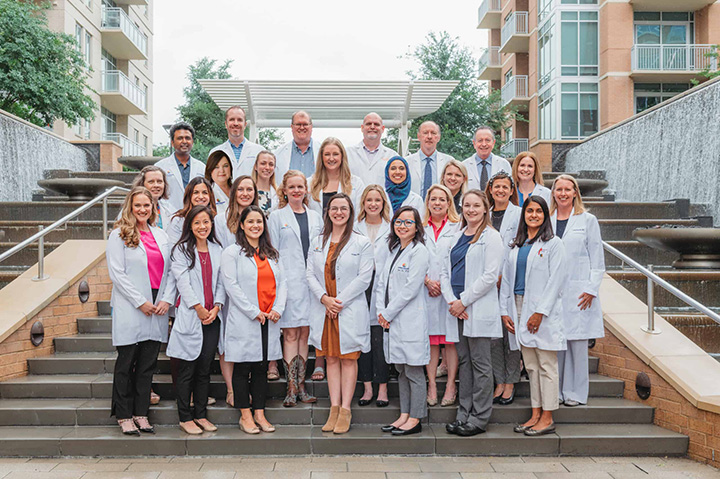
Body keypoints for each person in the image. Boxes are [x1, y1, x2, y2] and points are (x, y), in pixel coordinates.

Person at [106, 187, 175, 436]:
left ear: (153, 208)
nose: (143, 210)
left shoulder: (161, 235)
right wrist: (139, 302)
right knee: (127, 362)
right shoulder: (118, 235)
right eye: (138, 205)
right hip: (132, 305)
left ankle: (141, 413)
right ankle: (124, 414)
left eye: (147, 205)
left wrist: (167, 300)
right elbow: (117, 274)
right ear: (130, 207)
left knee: (148, 364)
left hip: (157, 305)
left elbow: (170, 272)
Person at [306, 194, 374, 434]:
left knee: (348, 358)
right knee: (331, 359)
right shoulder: (317, 240)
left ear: (350, 211)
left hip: (346, 308)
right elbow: (310, 275)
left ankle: (346, 409)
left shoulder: (361, 242)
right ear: (328, 212)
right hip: (324, 309)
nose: (338, 212)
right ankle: (333, 408)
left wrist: (338, 302)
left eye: (343, 208)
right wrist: (325, 299)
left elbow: (364, 278)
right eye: (334, 208)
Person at [500, 196, 566, 437]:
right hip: (518, 307)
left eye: (539, 211)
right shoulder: (516, 245)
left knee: (546, 365)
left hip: (541, 311)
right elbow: (506, 280)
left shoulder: (554, 243)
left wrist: (540, 312)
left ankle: (548, 417)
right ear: (524, 214)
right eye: (530, 211)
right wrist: (504, 311)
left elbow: (556, 281)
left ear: (545, 215)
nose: (534, 215)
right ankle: (535, 413)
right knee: (531, 366)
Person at [440, 190, 504, 437]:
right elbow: (444, 272)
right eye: (466, 205)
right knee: (465, 362)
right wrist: (452, 301)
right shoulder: (455, 236)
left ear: (485, 208)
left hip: (475, 309)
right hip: (457, 310)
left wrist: (463, 301)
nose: (471, 210)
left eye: (476, 205)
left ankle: (479, 418)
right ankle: (463, 414)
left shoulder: (492, 237)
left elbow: (490, 276)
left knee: (481, 364)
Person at [221, 205, 286, 434]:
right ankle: (245, 415)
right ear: (241, 225)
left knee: (261, 368)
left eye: (259, 222)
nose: (255, 226)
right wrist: (252, 311)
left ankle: (260, 413)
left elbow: (282, 284)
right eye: (250, 222)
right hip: (246, 319)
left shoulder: (272, 253)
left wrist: (278, 308)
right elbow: (232, 286)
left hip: (269, 319)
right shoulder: (232, 252)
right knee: (242, 368)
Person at [167, 205, 225, 435]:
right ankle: (185, 417)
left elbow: (222, 282)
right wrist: (199, 308)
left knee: (204, 369)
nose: (202, 226)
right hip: (192, 316)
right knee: (187, 370)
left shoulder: (217, 249)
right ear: (190, 225)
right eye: (197, 222)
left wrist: (217, 307)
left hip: (213, 317)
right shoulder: (181, 250)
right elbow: (182, 283)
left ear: (212, 224)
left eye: (206, 222)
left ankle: (201, 415)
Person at [268, 170, 322, 407]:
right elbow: (273, 253)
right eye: (292, 187)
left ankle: (301, 386)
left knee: (305, 333)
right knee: (290, 333)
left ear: (306, 189)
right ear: (285, 190)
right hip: (288, 282)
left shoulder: (316, 216)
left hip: (312, 282)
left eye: (301, 186)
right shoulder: (277, 217)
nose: (297, 191)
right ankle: (290, 387)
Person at [550, 174, 605, 407]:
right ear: (553, 193)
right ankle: (558, 391)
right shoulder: (546, 219)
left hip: (580, 292)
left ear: (575, 193)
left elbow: (597, 259)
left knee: (578, 345)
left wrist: (591, 289)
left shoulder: (587, 220)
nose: (563, 193)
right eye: (558, 189)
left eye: (567, 189)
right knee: (557, 344)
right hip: (553, 292)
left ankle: (576, 393)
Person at [375, 206, 430, 436]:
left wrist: (387, 314)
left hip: (409, 319)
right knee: (401, 370)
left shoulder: (420, 251)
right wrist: (381, 311)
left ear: (417, 227)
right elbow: (381, 284)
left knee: (414, 371)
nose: (402, 226)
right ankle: (404, 415)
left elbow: (410, 288)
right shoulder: (393, 249)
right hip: (392, 319)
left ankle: (416, 418)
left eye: (408, 222)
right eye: (399, 221)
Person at [422, 185, 461, 408]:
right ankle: (431, 386)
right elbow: (413, 257)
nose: (437, 203)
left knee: (450, 342)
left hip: (450, 293)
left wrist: (444, 286)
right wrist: (426, 281)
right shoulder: (419, 228)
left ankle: (450, 385)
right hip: (426, 292)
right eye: (433, 199)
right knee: (431, 343)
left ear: (449, 203)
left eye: (442, 199)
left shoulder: (457, 227)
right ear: (427, 202)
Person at [485, 172, 522, 405]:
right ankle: (499, 380)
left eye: (504, 187)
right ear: (490, 190)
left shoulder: (519, 215)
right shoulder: (484, 214)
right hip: (488, 284)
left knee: (510, 333)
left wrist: (503, 275)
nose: (500, 190)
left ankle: (511, 382)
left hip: (509, 281)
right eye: (496, 186)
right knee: (493, 336)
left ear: (511, 191)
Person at [355, 185, 392, 408]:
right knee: (363, 339)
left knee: (380, 340)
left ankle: (383, 388)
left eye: (377, 200)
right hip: (360, 288)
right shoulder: (355, 227)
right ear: (363, 203)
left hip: (382, 288)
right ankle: (367, 387)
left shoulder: (391, 228)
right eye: (369, 200)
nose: (373, 204)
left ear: (383, 203)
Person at [155, 122, 206, 212]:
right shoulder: (160, 167)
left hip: (195, 215)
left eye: (187, 138)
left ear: (192, 142)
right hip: (168, 215)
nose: (184, 141)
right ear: (172, 143)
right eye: (179, 138)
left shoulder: (201, 167)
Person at [308, 137, 365, 216]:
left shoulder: (356, 183)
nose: (331, 158)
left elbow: (359, 215)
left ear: (342, 156)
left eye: (335, 154)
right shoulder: (309, 184)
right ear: (321, 157)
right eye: (327, 154)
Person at [208, 106, 264, 179]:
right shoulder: (215, 152)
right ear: (226, 124)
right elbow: (211, 180)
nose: (236, 123)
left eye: (240, 120)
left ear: (245, 125)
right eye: (232, 119)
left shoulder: (259, 151)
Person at [346, 112, 399, 186]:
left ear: (383, 129)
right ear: (362, 128)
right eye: (368, 124)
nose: (372, 127)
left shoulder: (393, 156)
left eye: (376, 124)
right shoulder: (347, 154)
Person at [406, 121, 455, 199]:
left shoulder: (449, 161)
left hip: (440, 208)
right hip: (414, 208)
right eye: (425, 133)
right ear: (418, 136)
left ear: (438, 137)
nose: (429, 136)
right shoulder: (406, 162)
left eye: (433, 133)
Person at [167, 178, 217, 246]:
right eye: (196, 192)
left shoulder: (217, 219)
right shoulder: (178, 220)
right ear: (189, 195)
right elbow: (172, 247)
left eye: (205, 192)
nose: (201, 196)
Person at [214, 175, 259, 249]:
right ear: (234, 192)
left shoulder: (262, 220)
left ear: (254, 193)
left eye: (249, 189)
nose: (245, 194)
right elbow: (219, 250)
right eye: (240, 189)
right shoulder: (220, 220)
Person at [463, 126, 512, 192]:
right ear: (474, 144)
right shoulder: (464, 166)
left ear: (493, 143)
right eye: (480, 140)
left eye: (487, 140)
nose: (484, 144)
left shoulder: (504, 164)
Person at [274, 111, 318, 179]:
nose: (302, 127)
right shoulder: (278, 154)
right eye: (298, 124)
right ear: (292, 127)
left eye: (305, 124)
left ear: (311, 127)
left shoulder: (322, 150)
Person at [130, 165, 173, 231]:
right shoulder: (131, 208)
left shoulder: (169, 209)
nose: (156, 185)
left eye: (159, 181)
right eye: (151, 182)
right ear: (142, 184)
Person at [252, 150, 279, 217]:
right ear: (255, 166)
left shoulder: (279, 194)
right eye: (263, 163)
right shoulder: (248, 191)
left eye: (271, 164)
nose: (267, 168)